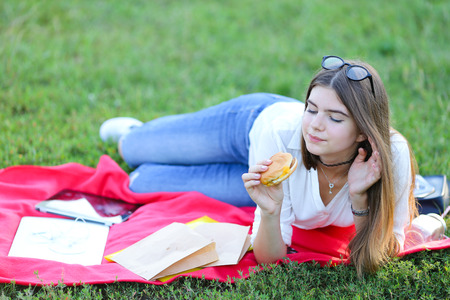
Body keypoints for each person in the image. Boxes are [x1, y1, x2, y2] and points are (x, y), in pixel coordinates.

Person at [100, 55, 418, 276]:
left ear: (363, 129)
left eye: (334, 118)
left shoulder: (392, 157)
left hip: (263, 164)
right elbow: (295, 128)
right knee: (132, 149)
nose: (315, 126)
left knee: (140, 182)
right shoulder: (282, 131)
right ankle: (134, 132)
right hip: (249, 126)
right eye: (311, 109)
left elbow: (383, 254)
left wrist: (359, 198)